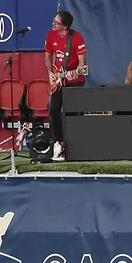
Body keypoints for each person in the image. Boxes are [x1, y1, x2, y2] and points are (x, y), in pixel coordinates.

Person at [45, 9, 87, 160]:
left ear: (65, 26)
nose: (53, 24)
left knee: (72, 113)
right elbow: (48, 56)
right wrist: (50, 73)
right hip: (58, 79)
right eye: (54, 21)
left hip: (74, 80)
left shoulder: (76, 37)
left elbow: (82, 64)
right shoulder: (50, 35)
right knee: (53, 110)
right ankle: (57, 141)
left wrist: (76, 72)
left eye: (57, 23)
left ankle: (75, 145)